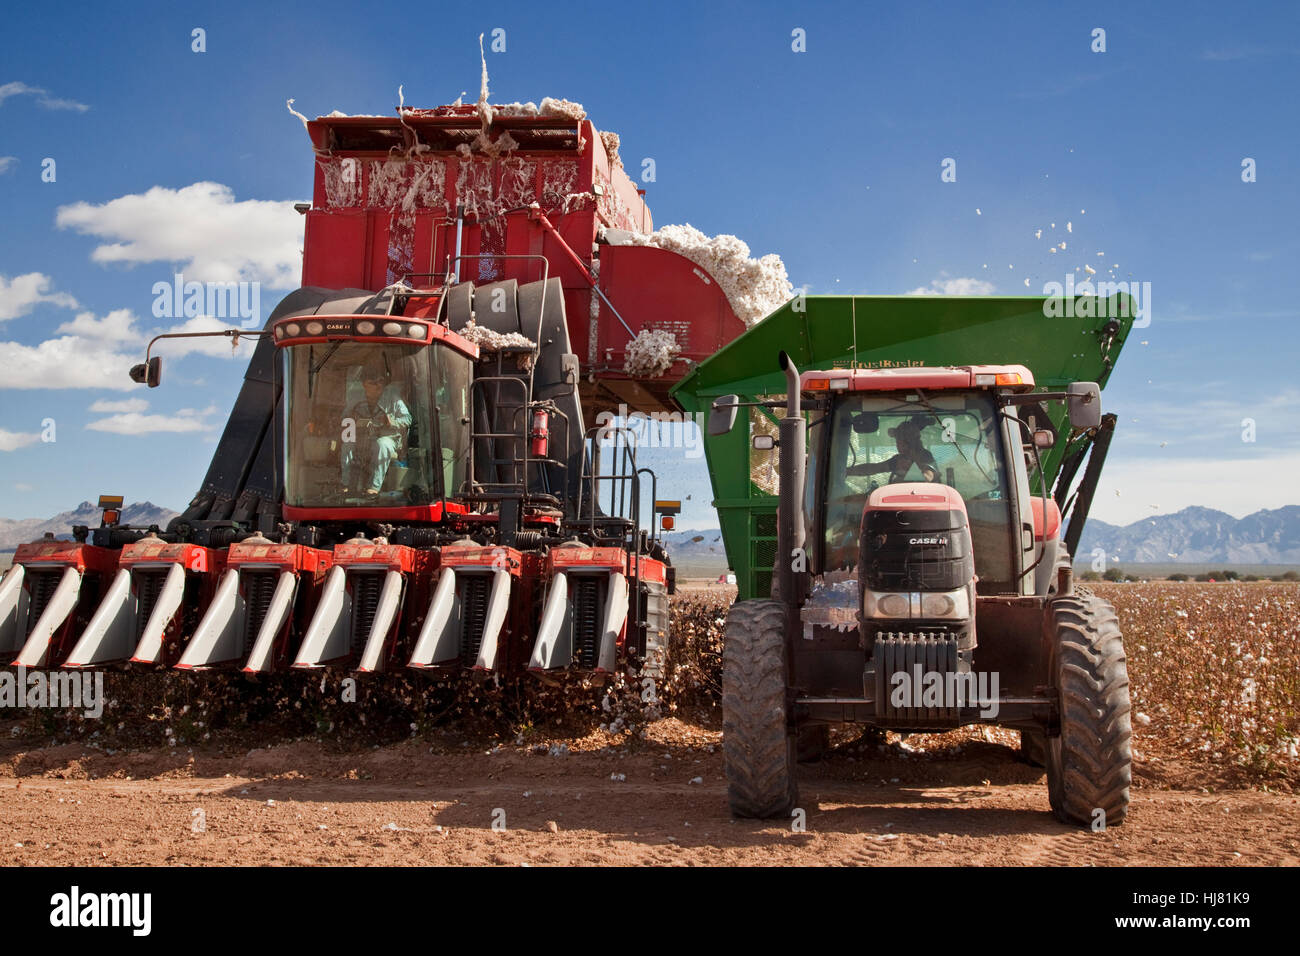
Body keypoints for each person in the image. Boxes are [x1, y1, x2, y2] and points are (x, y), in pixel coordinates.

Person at [341, 367, 412, 495]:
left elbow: (408, 419)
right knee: (347, 445)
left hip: (389, 439)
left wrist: (392, 422)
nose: (378, 385)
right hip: (362, 439)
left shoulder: (393, 398)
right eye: (373, 383)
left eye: (380, 382)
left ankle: (373, 488)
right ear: (364, 385)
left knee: (381, 444)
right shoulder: (355, 399)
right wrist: (351, 418)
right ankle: (347, 485)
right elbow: (344, 418)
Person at [847, 416, 938, 484]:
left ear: (910, 441)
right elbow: (875, 468)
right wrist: (847, 471)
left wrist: (907, 472)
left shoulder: (924, 456)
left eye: (899, 441)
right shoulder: (899, 459)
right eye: (897, 441)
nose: (897, 445)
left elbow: (928, 477)